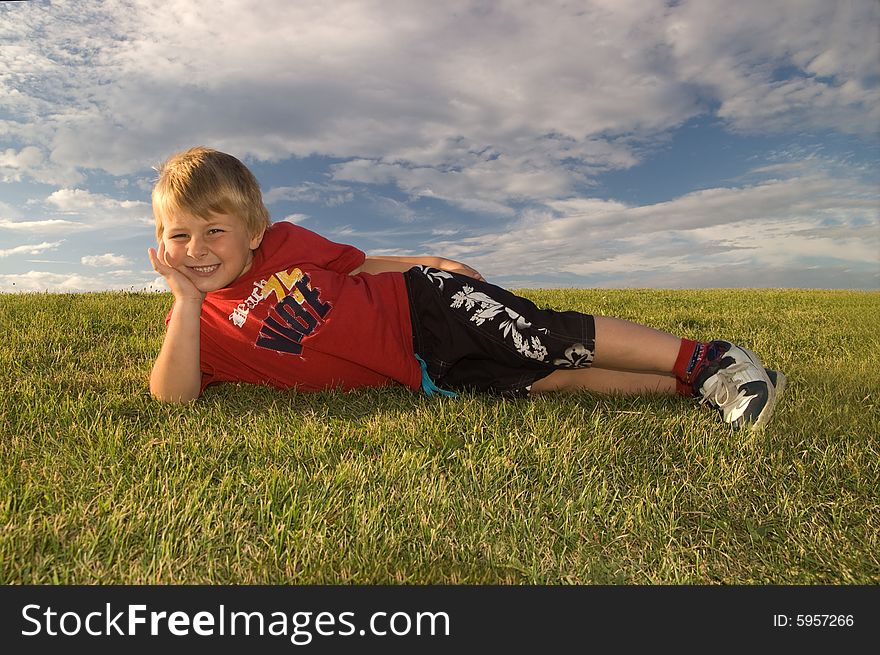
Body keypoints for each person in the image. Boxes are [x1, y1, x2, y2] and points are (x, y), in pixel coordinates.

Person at [148, 147, 786, 430]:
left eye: (214, 230)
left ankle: (706, 358)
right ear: (159, 242)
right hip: (423, 371)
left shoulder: (285, 243)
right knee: (546, 382)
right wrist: (187, 302)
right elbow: (173, 399)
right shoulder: (201, 328)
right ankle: (696, 389)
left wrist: (425, 261)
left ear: (254, 230)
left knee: (544, 340)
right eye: (179, 236)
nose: (197, 250)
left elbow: (358, 266)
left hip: (423, 305)